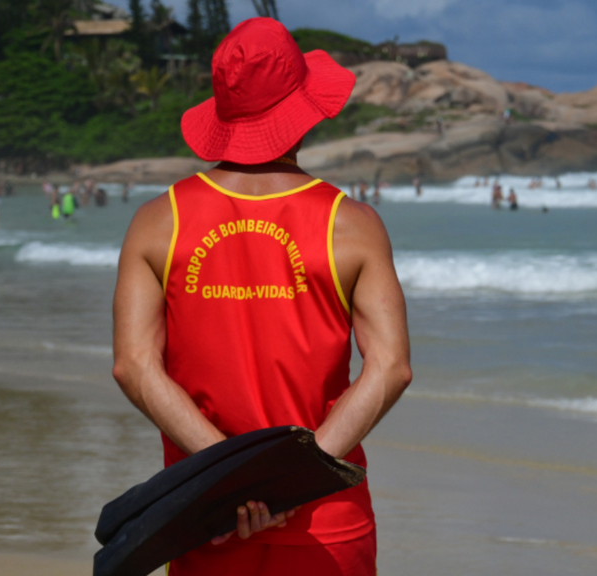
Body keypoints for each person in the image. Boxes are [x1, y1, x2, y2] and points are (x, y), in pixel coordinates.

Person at [111, 18, 412, 576]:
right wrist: (290, 483)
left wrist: (233, 480)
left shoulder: (158, 222)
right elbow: (390, 369)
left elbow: (135, 367)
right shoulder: (352, 224)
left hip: (207, 513)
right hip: (327, 516)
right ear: (303, 112)